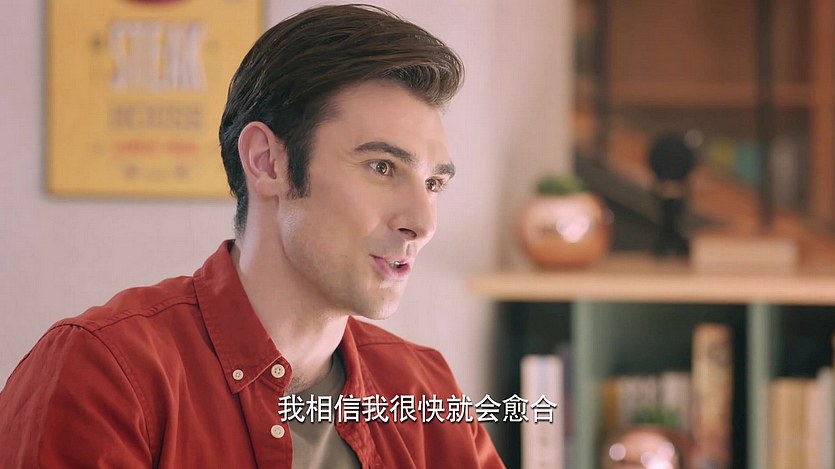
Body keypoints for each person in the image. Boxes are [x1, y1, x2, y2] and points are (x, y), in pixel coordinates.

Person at [0, 4, 505, 468]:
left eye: (434, 183)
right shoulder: (107, 373)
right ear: (267, 162)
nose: (422, 222)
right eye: (381, 166)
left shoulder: (426, 392)